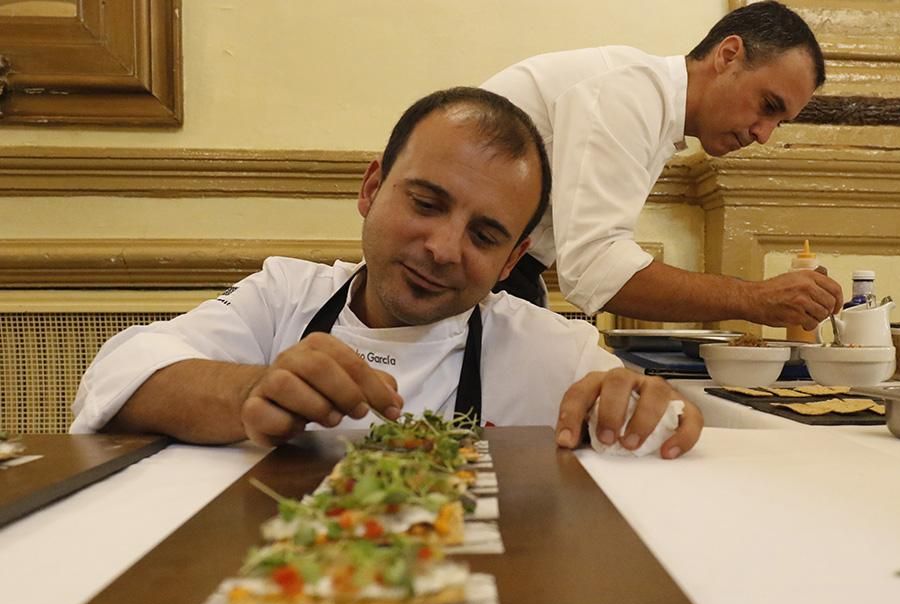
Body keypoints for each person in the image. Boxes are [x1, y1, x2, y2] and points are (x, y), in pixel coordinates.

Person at [70, 87, 703, 459]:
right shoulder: (284, 297)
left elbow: (647, 418)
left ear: (513, 261)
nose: (443, 248)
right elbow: (124, 373)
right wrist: (250, 393)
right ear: (372, 187)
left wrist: (649, 406)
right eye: (425, 204)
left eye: (485, 236)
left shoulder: (554, 352)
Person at [482, 0, 843, 331]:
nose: (764, 135)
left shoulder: (650, 106)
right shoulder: (628, 94)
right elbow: (594, 269)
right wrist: (755, 298)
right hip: (459, 270)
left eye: (779, 123)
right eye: (767, 105)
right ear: (728, 55)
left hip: (501, 273)